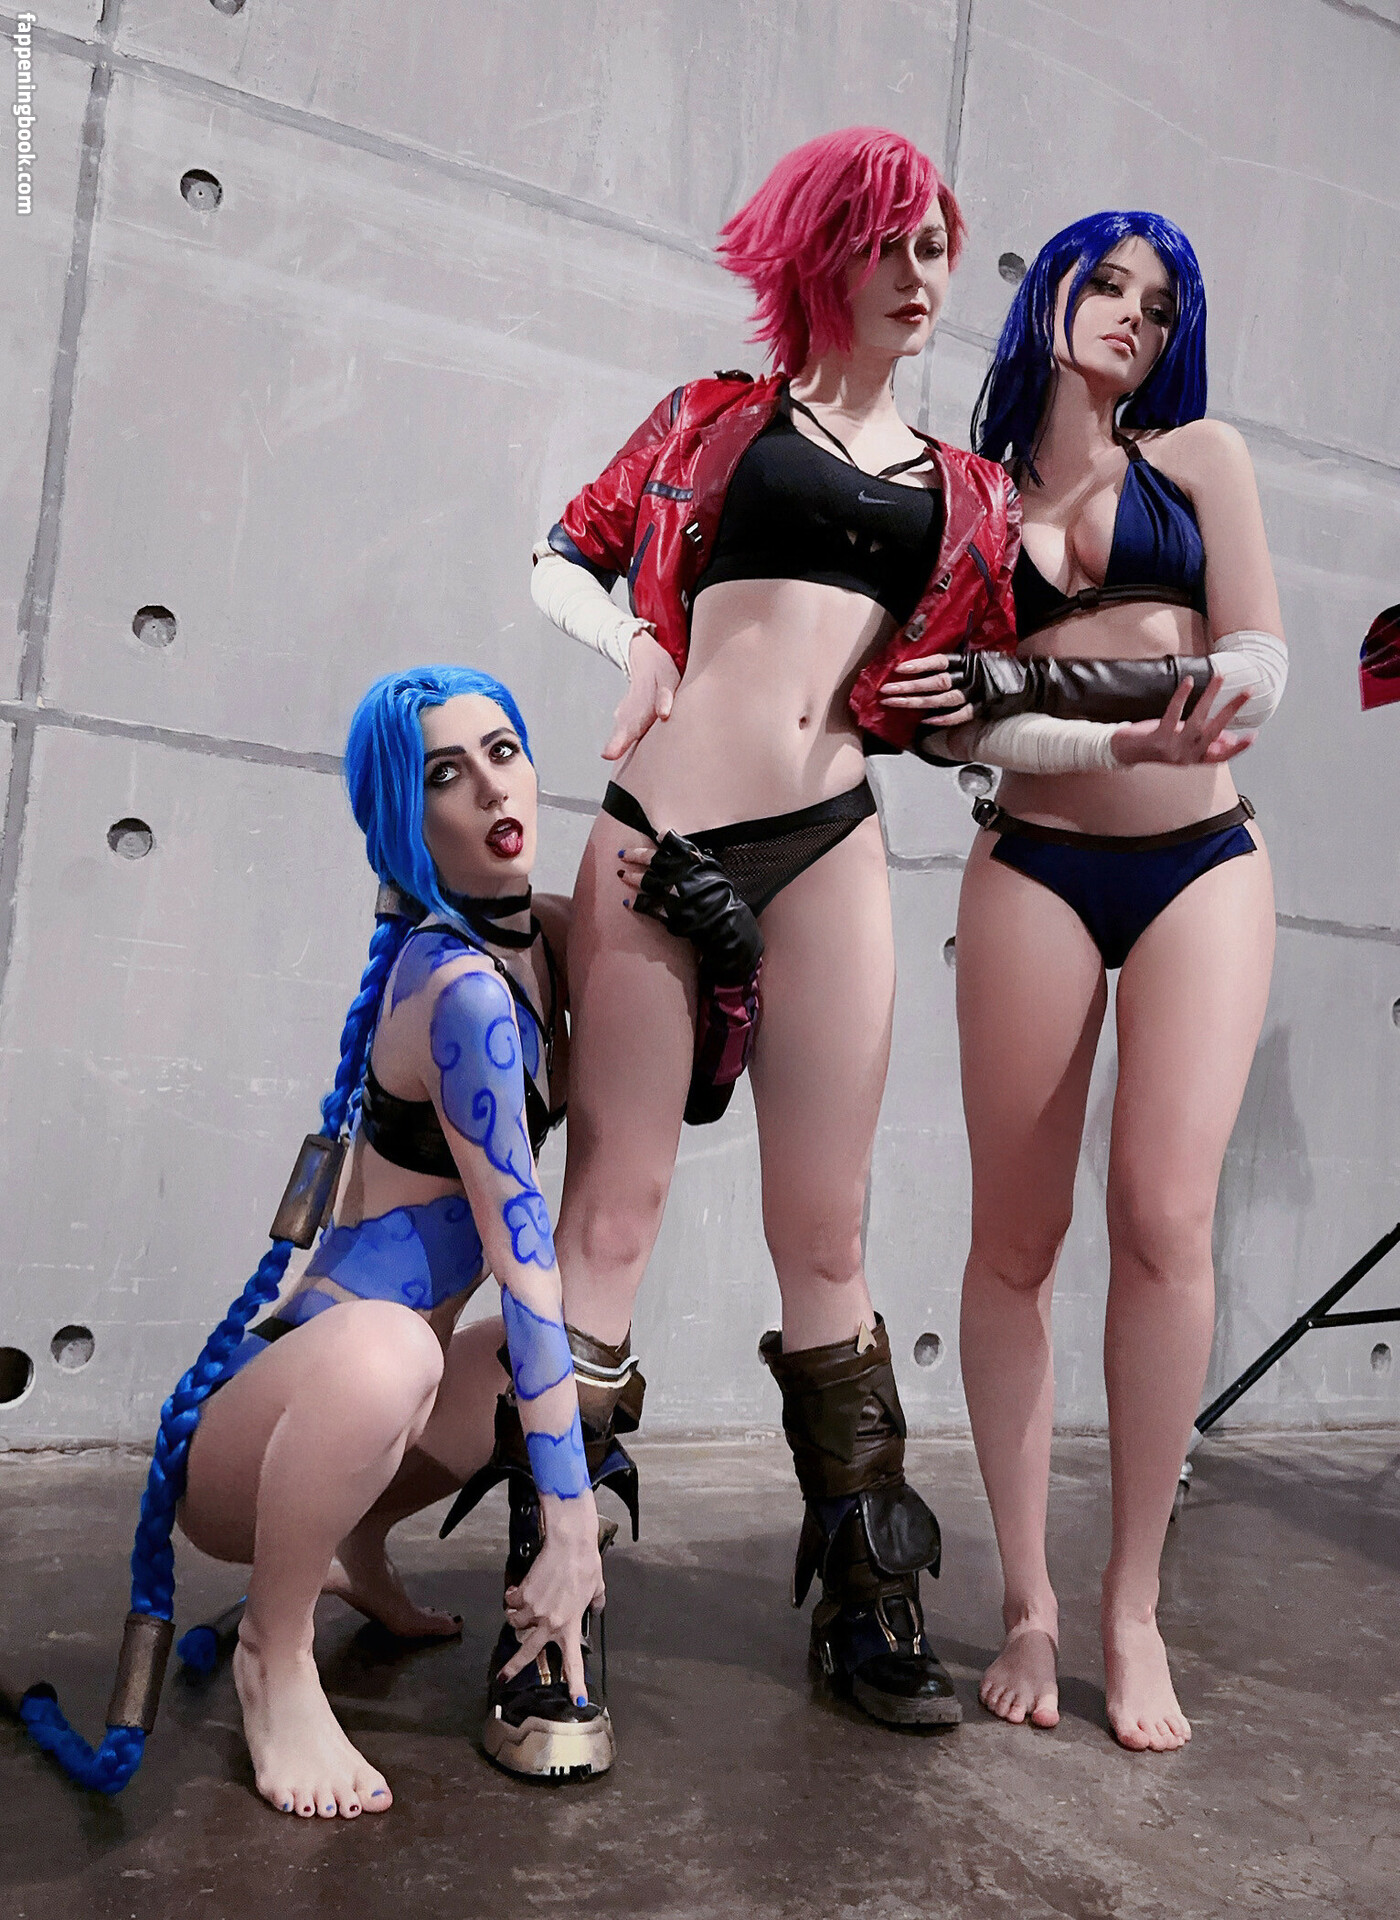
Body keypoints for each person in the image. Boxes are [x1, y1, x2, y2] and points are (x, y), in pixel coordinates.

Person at [527, 126, 1028, 1732]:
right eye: (887, 242)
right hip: (660, 830)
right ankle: (553, 1600)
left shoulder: (970, 496)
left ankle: (869, 1600)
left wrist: (976, 713)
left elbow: (974, 709)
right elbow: (562, 555)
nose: (918, 274)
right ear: (819, 250)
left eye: (936, 247)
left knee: (826, 1232)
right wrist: (637, 643)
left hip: (829, 845)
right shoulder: (712, 418)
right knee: (611, 1213)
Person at [22, 665, 612, 1813]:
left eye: (503, 751)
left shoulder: (541, 940)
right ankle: (273, 1651)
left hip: (368, 1402)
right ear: (402, 816)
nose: (492, 788)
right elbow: (523, 1253)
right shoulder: (461, 991)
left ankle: (353, 1549)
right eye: (444, 774)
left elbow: (660, 1082)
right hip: (263, 1441)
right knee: (400, 1353)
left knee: (553, 1365)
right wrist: (570, 1521)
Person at [910, 211, 1287, 1752]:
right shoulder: (967, 497)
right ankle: (1030, 1604)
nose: (1133, 312)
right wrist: (1002, 696)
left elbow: (1252, 668)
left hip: (1202, 865)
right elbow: (939, 723)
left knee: (1162, 1221)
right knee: (1015, 1243)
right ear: (1049, 291)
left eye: (1162, 301)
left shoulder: (1200, 461)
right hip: (1033, 866)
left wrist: (1018, 676)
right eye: (1108, 281)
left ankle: (1132, 1608)